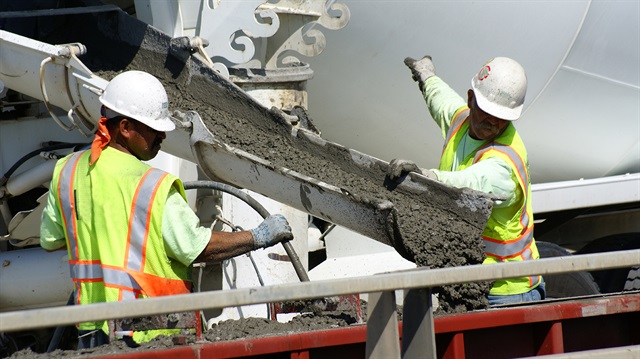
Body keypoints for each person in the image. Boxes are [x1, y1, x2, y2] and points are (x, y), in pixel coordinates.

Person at [40, 70, 293, 348]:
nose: (162, 135)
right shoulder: (151, 185)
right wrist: (258, 236)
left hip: (90, 331)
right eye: (153, 128)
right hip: (150, 334)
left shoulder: (67, 171)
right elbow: (196, 247)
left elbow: (52, 241)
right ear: (124, 127)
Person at [388, 56, 545, 305]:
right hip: (471, 280)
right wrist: (427, 76)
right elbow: (443, 101)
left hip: (507, 291)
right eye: (487, 112)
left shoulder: (504, 161)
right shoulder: (462, 121)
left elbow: (468, 183)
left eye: (501, 117)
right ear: (471, 99)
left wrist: (426, 177)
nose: (492, 122)